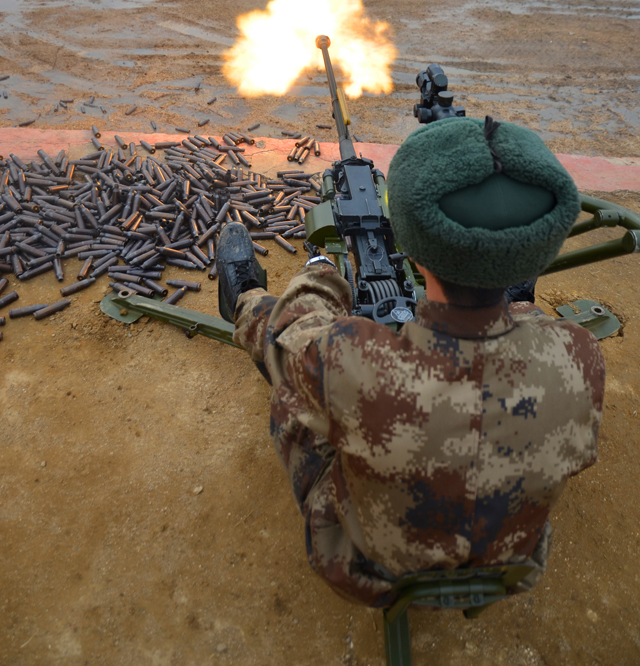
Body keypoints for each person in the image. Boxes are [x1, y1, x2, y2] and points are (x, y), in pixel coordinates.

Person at [215, 116, 605, 607]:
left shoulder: (350, 362)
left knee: (289, 387)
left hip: (366, 567)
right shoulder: (579, 355)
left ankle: (240, 295)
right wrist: (519, 305)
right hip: (512, 561)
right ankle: (518, 297)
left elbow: (288, 334)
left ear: (413, 250)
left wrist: (320, 274)